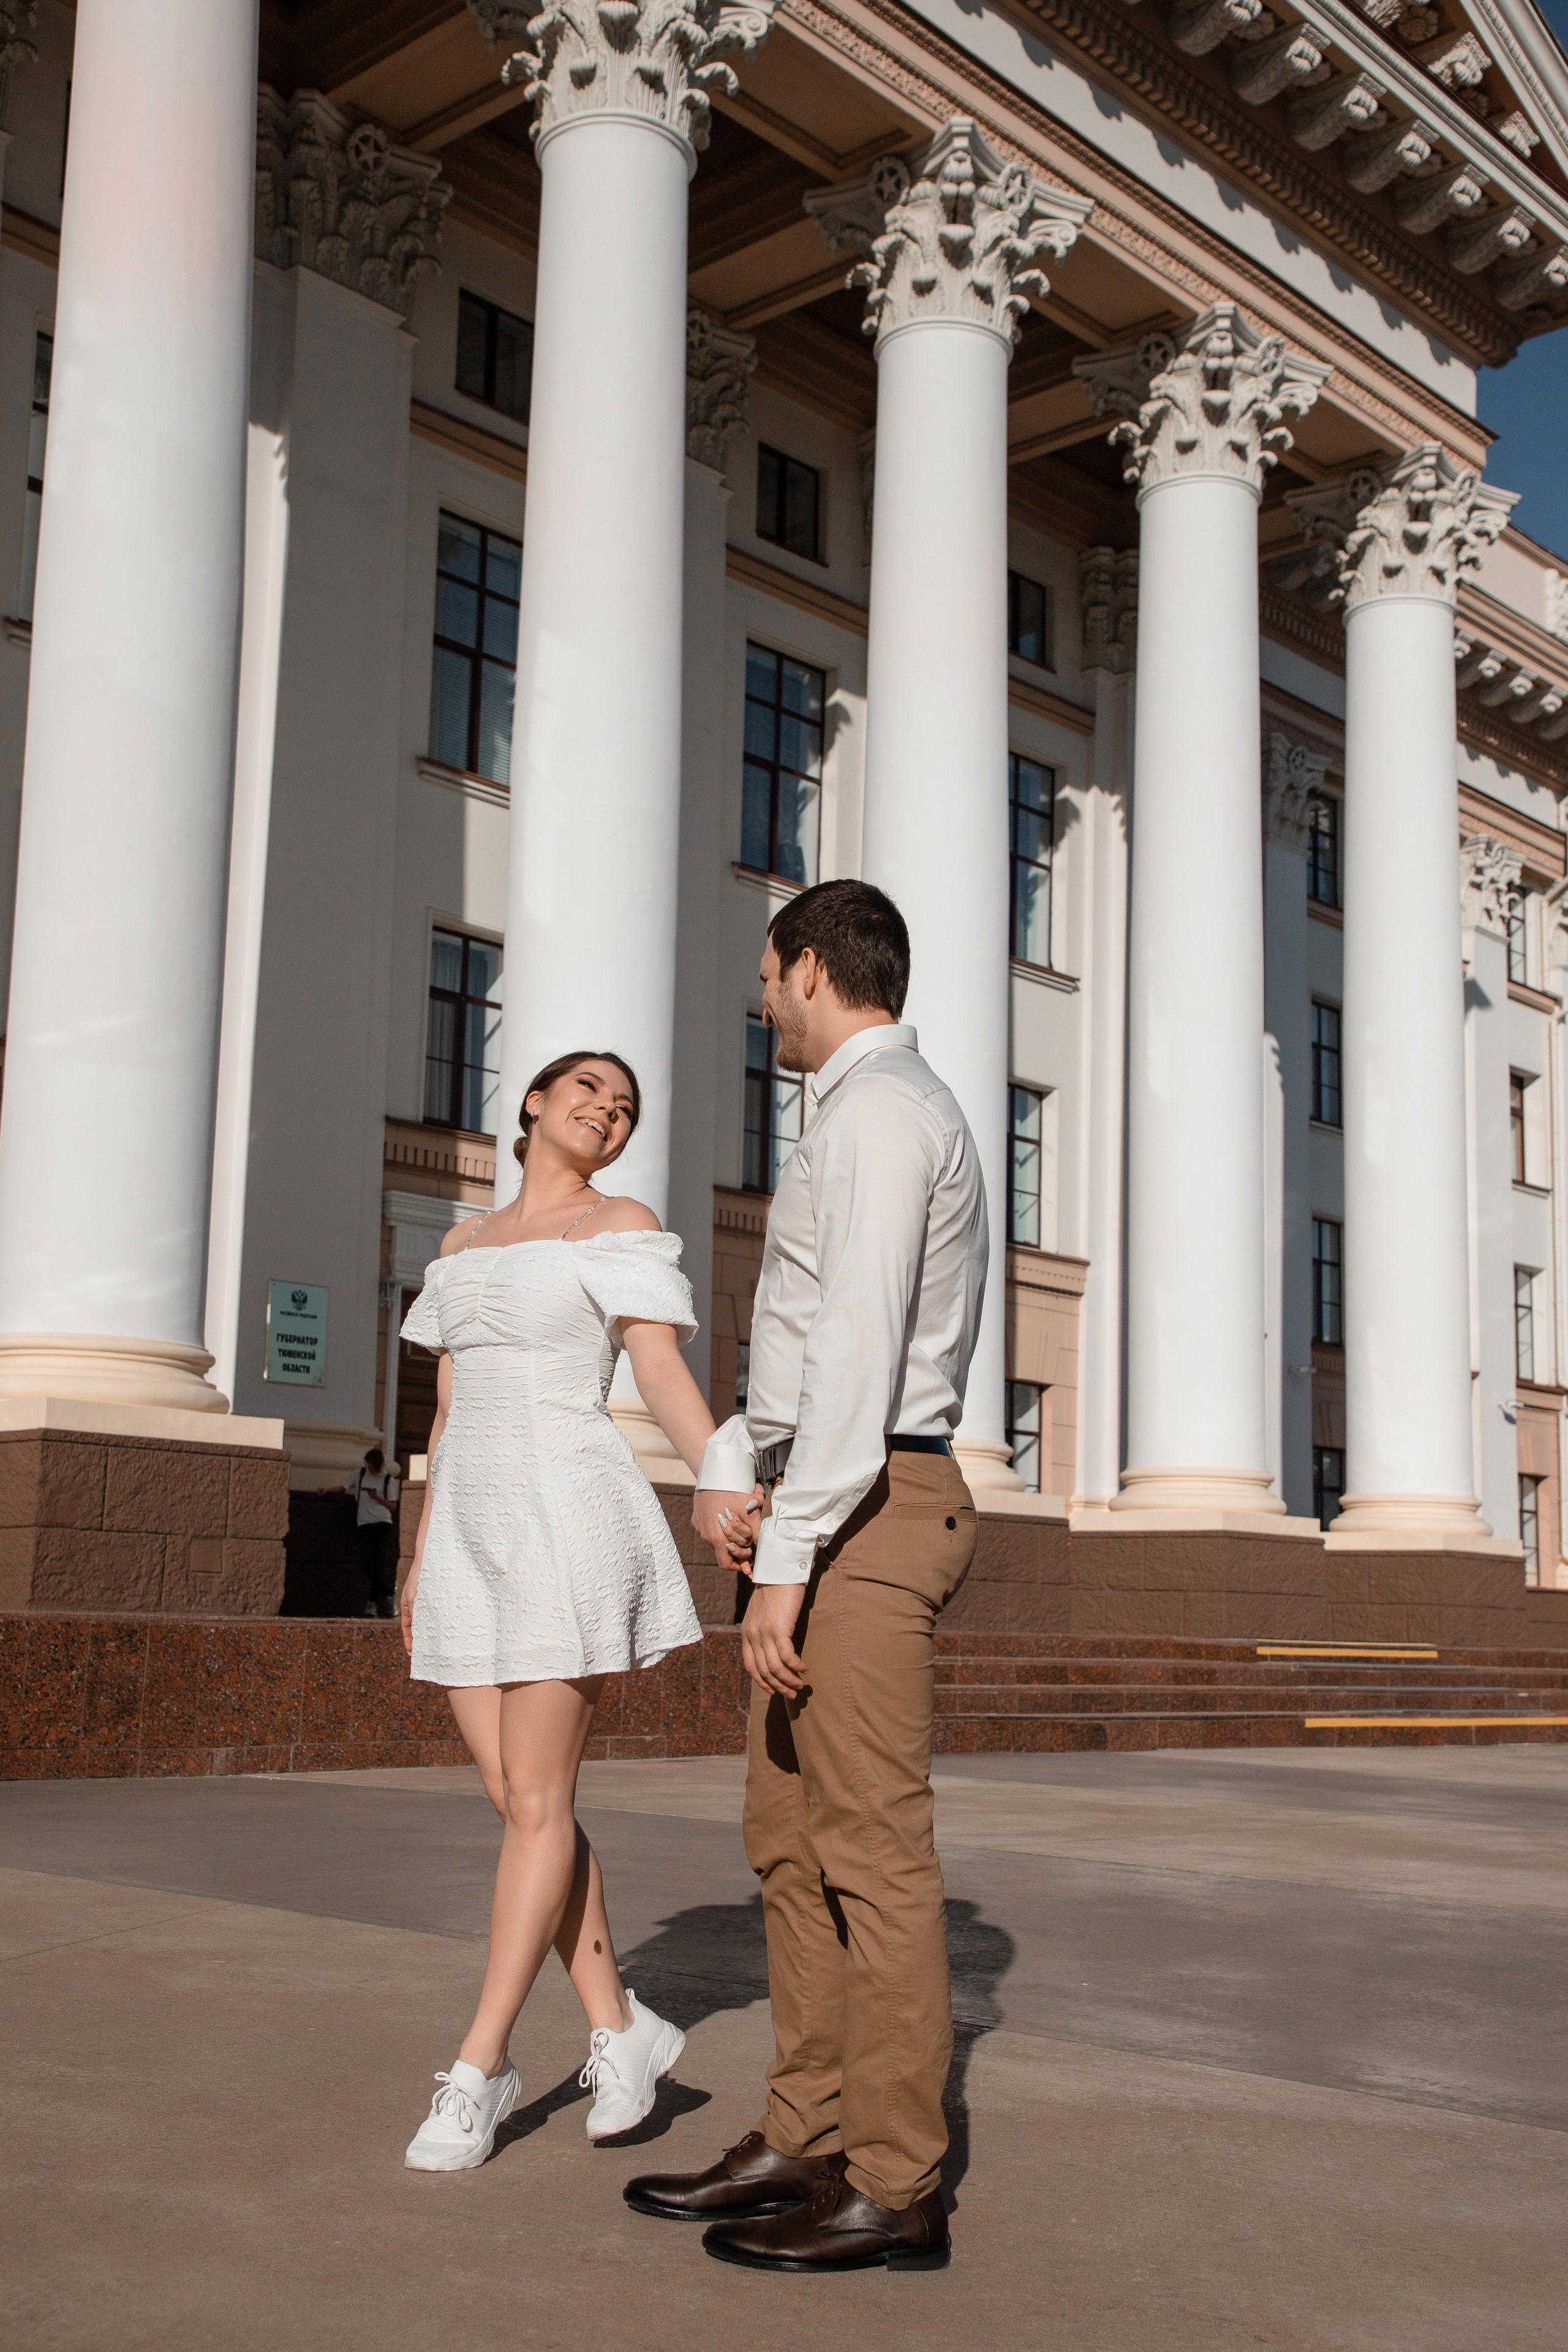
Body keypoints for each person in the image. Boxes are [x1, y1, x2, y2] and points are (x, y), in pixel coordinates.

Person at [625, 879, 986, 2274]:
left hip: (872, 1509)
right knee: (788, 1840)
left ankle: (895, 2181)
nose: (758, 997)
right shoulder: (847, 1110)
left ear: (810, 969)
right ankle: (809, 2126)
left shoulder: (885, 1112)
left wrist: (788, 1554)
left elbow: (859, 1343)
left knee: (872, 1856)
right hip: (827, 1497)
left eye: (766, 975)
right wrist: (758, 1490)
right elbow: (808, 1349)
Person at [396, 1049, 752, 2173]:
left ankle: (479, 2067)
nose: (609, 1110)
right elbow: (447, 1407)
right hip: (468, 1532)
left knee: (541, 1801)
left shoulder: (622, 1223)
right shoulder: (459, 1247)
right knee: (517, 1801)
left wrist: (719, 1477)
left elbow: (656, 1370)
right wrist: (415, 1555)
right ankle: (624, 2030)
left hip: (568, 1515)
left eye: (628, 1106)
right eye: (590, 1090)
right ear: (535, 1103)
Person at [348, 1447, 399, 1618]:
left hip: (383, 1523)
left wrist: (377, 1498)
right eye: (370, 1466)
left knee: (378, 1565)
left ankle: (372, 1605)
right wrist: (326, 1491)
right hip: (364, 1524)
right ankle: (390, 1593)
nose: (372, 1470)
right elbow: (344, 1487)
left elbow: (393, 1506)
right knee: (367, 1565)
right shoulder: (360, 1474)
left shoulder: (388, 1480)